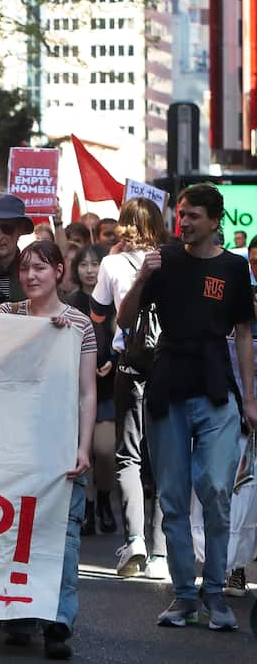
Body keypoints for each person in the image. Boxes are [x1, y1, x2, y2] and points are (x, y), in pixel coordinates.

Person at [118, 184, 257, 631]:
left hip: (217, 388)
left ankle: (214, 592)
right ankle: (183, 596)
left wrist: (250, 398)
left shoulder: (235, 268)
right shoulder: (163, 259)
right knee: (174, 496)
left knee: (216, 490)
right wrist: (142, 277)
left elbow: (243, 335)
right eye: (181, 214)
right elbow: (122, 321)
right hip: (168, 384)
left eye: (194, 215)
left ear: (216, 221)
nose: (185, 222)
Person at [0, 240, 97, 660]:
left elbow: (87, 392)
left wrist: (83, 447)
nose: (31, 276)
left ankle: (58, 620)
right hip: (15, 445)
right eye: (25, 269)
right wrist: (33, 337)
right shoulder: (6, 316)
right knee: (15, 532)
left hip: (60, 446)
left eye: (40, 268)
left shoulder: (79, 325)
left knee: (64, 538)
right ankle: (19, 615)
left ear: (58, 270)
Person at [90, 197, 170, 579]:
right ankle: (162, 553)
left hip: (131, 365)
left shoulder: (111, 264)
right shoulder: (173, 261)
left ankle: (134, 540)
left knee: (129, 456)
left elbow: (98, 311)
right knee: (165, 458)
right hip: (169, 368)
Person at [67, 243, 116, 535]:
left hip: (108, 389)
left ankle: (104, 501)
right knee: (79, 453)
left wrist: (112, 359)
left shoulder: (113, 299)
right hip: (75, 390)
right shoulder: (70, 302)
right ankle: (84, 507)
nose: (89, 270)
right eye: (84, 264)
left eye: (95, 264)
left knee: (105, 450)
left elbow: (125, 337)